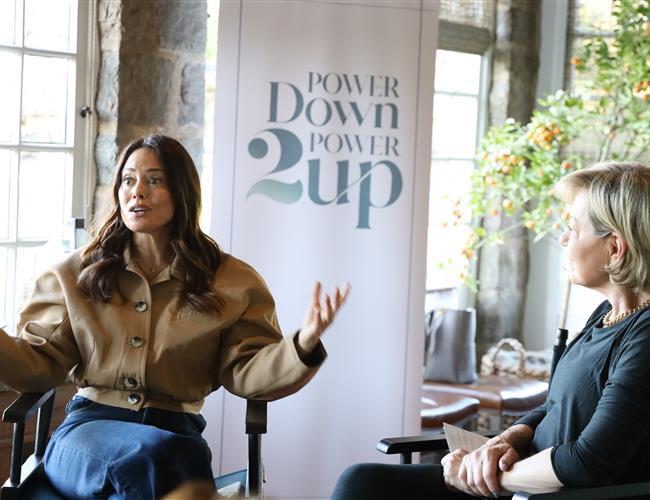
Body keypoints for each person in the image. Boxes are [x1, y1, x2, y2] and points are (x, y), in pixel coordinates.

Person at [0, 134, 350, 499]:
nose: (137, 192)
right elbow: (40, 364)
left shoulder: (233, 281)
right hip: (88, 433)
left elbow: (248, 371)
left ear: (182, 192)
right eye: (128, 180)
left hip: (179, 433)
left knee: (160, 463)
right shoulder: (73, 275)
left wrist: (303, 343)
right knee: (158, 461)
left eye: (155, 180)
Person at [331, 161, 650, 499]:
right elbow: (558, 406)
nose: (563, 238)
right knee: (363, 482)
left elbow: (589, 462)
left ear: (615, 248)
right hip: (521, 481)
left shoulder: (644, 337)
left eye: (574, 228)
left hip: (552, 492)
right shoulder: (608, 314)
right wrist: (506, 440)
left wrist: (487, 477)